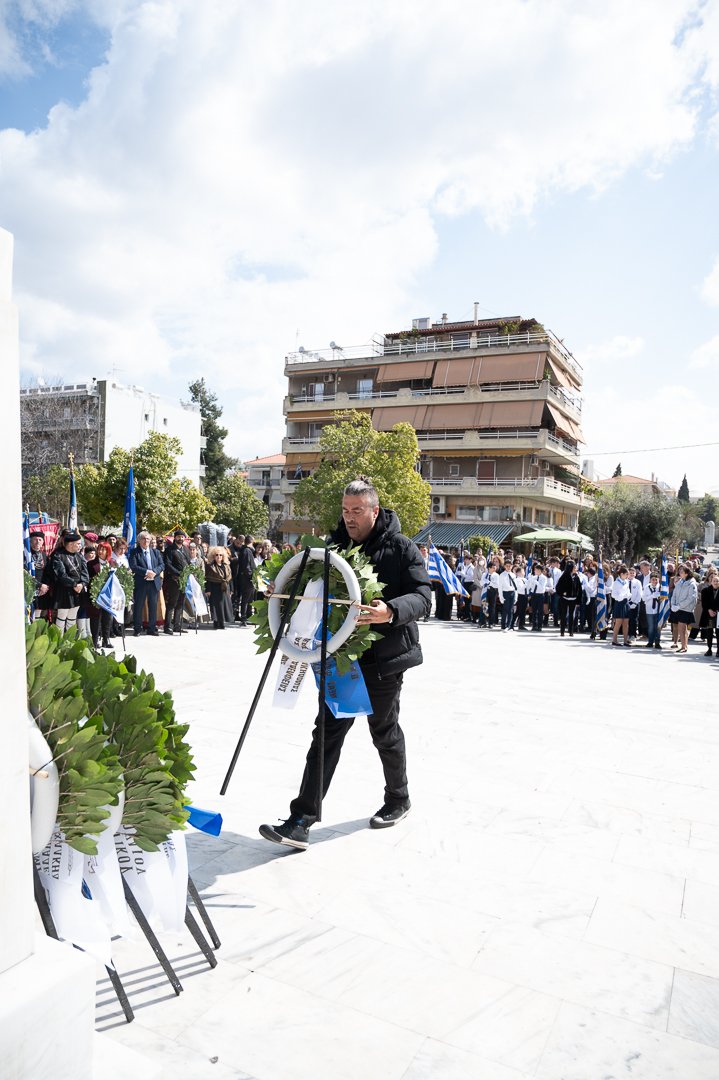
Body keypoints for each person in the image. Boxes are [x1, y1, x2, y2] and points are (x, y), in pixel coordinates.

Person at [259, 475, 431, 850]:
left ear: (374, 511)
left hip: (384, 660)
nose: (349, 517)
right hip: (340, 660)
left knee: (384, 732)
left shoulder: (402, 548)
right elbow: (306, 589)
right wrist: (281, 593)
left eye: (356, 510)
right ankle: (301, 820)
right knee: (326, 733)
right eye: (345, 510)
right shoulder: (331, 547)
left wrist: (390, 611)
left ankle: (398, 798)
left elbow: (423, 597)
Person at [50, 531, 89, 634]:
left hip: (78, 589)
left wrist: (82, 584)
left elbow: (85, 572)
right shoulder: (58, 555)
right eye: (78, 544)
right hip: (64, 589)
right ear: (71, 544)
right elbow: (61, 574)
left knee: (72, 617)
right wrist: (74, 584)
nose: (80, 546)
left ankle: (70, 640)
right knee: (62, 616)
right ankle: (59, 640)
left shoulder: (79, 555)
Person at [128, 530, 164, 636]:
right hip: (141, 583)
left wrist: (154, 572)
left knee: (153, 606)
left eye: (148, 539)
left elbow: (162, 565)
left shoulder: (155, 552)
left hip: (153, 583)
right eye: (144, 539)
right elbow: (134, 566)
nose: (146, 541)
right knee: (138, 606)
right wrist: (147, 572)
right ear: (139, 540)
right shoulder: (134, 552)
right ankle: (138, 628)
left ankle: (151, 628)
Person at [163, 529, 190, 635]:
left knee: (180, 603)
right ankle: (167, 627)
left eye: (182, 537)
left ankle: (177, 626)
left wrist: (190, 572)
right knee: (172, 603)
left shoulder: (186, 549)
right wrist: (178, 573)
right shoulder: (170, 549)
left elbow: (188, 562)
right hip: (173, 579)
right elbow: (167, 564)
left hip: (184, 579)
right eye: (178, 537)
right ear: (175, 538)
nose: (180, 538)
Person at [670, 564, 698, 654]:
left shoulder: (692, 583)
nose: (680, 573)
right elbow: (674, 593)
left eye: (682, 572)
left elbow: (691, 598)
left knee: (682, 628)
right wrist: (673, 604)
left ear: (686, 574)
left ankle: (683, 646)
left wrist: (679, 606)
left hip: (686, 609)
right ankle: (684, 645)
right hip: (678, 608)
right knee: (682, 628)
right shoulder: (680, 582)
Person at [205, 546, 232, 628]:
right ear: (213, 556)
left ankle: (222, 622)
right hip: (214, 588)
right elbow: (208, 579)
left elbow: (230, 578)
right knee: (216, 606)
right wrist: (208, 590)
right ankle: (216, 622)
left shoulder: (226, 566)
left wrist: (231, 589)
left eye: (220, 555)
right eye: (216, 555)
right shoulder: (210, 566)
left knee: (224, 606)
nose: (218, 556)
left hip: (225, 588)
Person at [556, 559, 582, 637]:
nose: (575, 569)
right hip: (564, 598)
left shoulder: (576, 577)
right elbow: (558, 587)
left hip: (573, 599)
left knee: (571, 615)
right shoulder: (564, 576)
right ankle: (562, 631)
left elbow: (579, 589)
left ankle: (571, 631)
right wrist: (562, 593)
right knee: (563, 614)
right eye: (574, 567)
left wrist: (578, 600)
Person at [237, 534, 256, 626]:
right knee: (246, 598)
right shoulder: (247, 551)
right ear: (252, 542)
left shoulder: (245, 550)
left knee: (249, 599)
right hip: (247, 579)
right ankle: (244, 618)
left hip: (246, 578)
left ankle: (248, 617)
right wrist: (252, 576)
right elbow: (247, 566)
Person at [611, 566, 632, 647]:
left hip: (625, 602)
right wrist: (621, 596)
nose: (627, 576)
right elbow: (613, 594)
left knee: (626, 623)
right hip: (619, 603)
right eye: (626, 574)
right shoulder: (616, 582)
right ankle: (614, 640)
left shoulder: (626, 582)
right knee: (618, 623)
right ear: (621, 574)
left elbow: (628, 591)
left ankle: (625, 641)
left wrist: (628, 595)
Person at [700, 570, 719, 658]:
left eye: (717, 581)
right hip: (708, 614)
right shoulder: (705, 591)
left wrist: (717, 611)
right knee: (709, 632)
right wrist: (710, 610)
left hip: (718, 614)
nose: (715, 582)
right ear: (711, 582)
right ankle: (709, 649)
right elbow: (704, 603)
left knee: (718, 633)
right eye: (714, 581)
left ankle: (718, 650)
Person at [643, 571, 662, 650]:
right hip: (649, 609)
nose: (654, 581)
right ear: (650, 580)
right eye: (653, 579)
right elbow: (644, 598)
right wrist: (653, 596)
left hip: (658, 610)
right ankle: (650, 641)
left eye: (656, 580)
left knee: (658, 627)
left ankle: (657, 642)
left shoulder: (661, 588)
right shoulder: (647, 587)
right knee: (651, 627)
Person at [497, 558, 518, 632]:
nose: (508, 567)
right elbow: (500, 586)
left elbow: (515, 587)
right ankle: (503, 625)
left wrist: (516, 596)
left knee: (511, 610)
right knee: (505, 610)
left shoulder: (513, 575)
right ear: (505, 566)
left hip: (512, 592)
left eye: (510, 566)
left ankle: (509, 626)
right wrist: (501, 597)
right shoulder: (502, 575)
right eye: (507, 566)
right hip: (505, 592)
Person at [527, 562, 547, 631]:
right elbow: (531, 587)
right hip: (534, 594)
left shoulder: (544, 578)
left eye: (535, 570)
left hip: (540, 595)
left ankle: (539, 625)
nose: (534, 571)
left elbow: (542, 587)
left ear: (539, 570)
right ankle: (534, 625)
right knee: (534, 610)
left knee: (540, 611)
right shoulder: (534, 577)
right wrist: (530, 580)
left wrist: (537, 582)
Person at [627, 568, 643, 640]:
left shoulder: (638, 582)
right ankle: (627, 634)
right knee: (627, 620)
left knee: (634, 620)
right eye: (630, 573)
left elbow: (639, 594)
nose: (632, 574)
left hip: (635, 603)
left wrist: (635, 603)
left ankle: (633, 634)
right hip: (627, 603)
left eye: (633, 573)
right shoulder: (625, 582)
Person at [512, 561, 528, 630]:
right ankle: (512, 623)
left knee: (523, 611)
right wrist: (527, 583)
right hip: (520, 596)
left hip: (525, 595)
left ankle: (521, 624)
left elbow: (527, 587)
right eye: (523, 571)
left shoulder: (524, 579)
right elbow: (521, 588)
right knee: (518, 610)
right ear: (521, 572)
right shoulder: (517, 580)